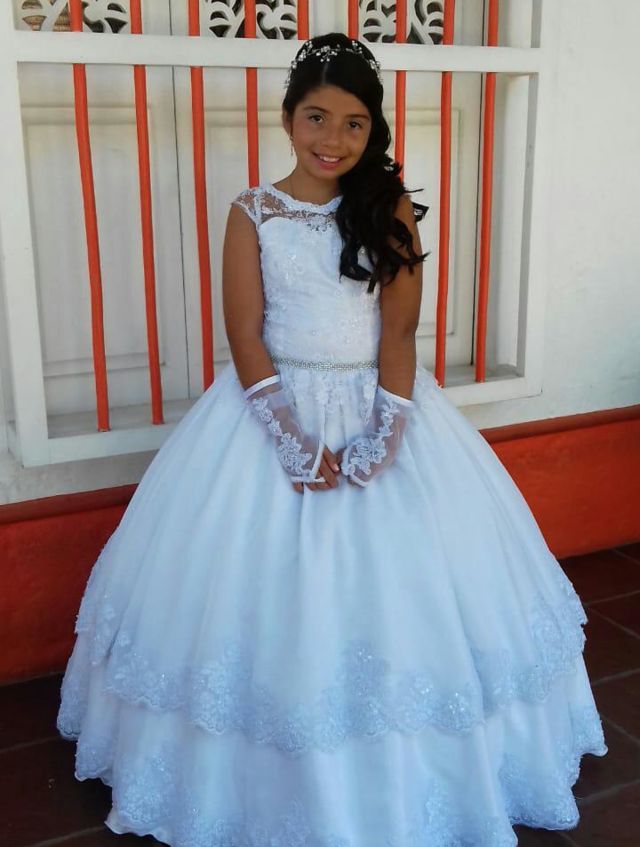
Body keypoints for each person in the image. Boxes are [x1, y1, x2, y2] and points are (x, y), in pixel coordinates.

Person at [57, 32, 607, 846]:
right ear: (287, 118)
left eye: (354, 123)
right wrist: (288, 436)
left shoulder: (387, 207)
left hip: (377, 400)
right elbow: (245, 332)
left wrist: (385, 430)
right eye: (317, 116)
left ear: (372, 129)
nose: (333, 138)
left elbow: (400, 333)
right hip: (268, 406)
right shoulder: (253, 212)